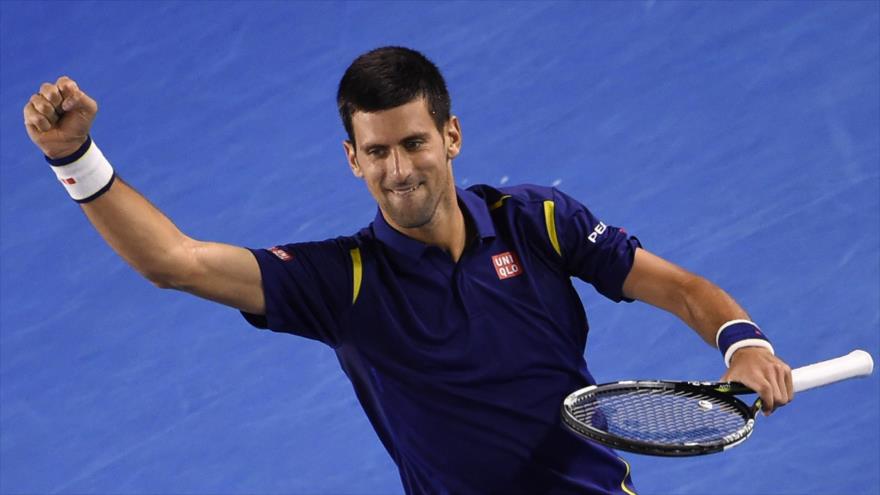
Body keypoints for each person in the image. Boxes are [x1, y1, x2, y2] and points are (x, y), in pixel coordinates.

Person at [23, 46, 794, 494]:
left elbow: (680, 288)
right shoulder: (342, 282)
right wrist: (73, 157)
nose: (399, 170)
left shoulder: (536, 220)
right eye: (378, 152)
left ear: (450, 135)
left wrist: (742, 342)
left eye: (415, 143)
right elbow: (173, 262)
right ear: (352, 159)